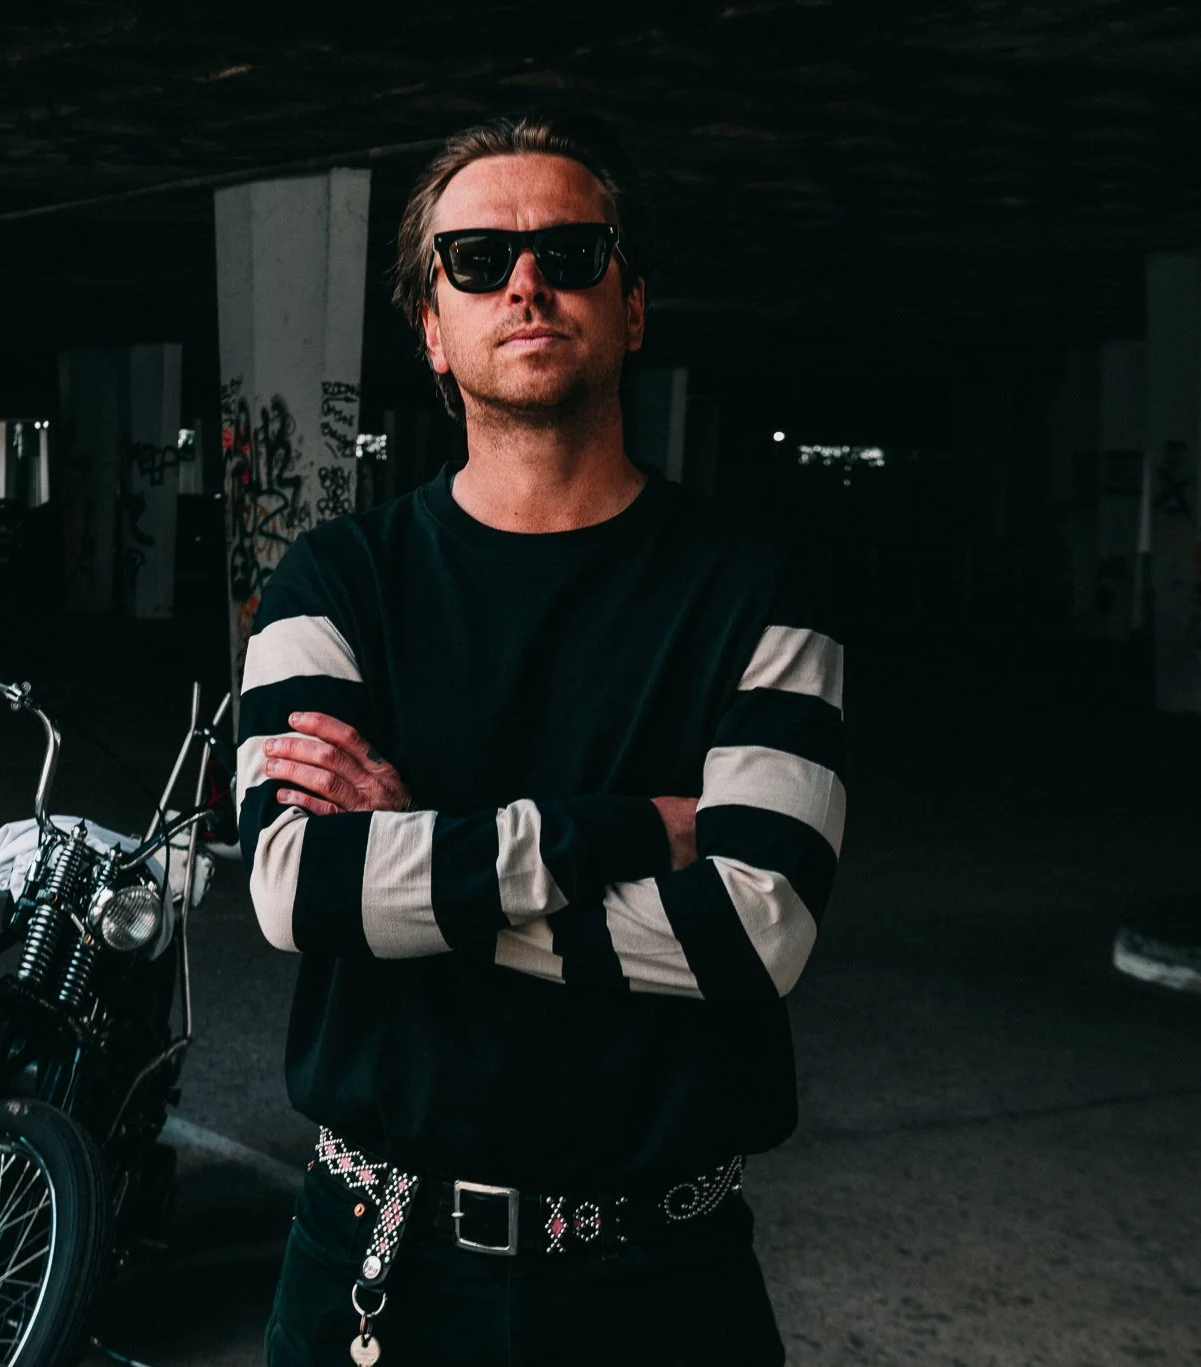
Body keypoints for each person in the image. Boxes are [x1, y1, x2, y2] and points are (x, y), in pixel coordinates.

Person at [236, 109, 845, 1366]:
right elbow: (302, 890)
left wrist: (418, 867)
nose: (525, 281)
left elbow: (752, 926)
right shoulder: (329, 581)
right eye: (475, 261)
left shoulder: (757, 586)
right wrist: (630, 828)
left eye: (571, 252)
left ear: (629, 306)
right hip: (376, 1261)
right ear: (431, 328)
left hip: (661, 1280)